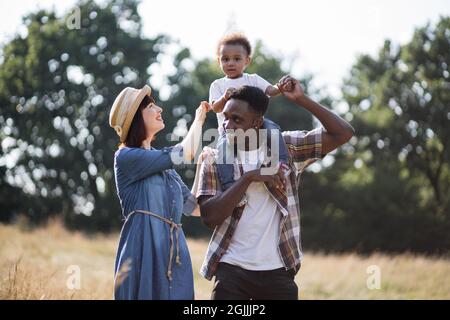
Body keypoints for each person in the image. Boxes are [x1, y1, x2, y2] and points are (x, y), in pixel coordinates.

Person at [195, 77, 355, 299]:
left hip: (278, 270)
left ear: (257, 123)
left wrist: (302, 99)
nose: (227, 126)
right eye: (226, 119)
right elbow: (209, 217)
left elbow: (343, 133)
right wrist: (249, 178)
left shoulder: (286, 148)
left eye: (236, 119)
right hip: (230, 270)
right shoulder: (214, 158)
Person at [109, 84, 210, 299]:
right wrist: (199, 118)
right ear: (136, 117)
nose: (159, 110)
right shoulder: (126, 156)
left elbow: (194, 207)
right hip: (143, 248)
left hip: (174, 252)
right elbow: (186, 152)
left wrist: (203, 168)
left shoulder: (164, 167)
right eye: (151, 106)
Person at [208, 32, 292, 190]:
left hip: (256, 124)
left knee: (273, 129)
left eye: (237, 59)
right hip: (228, 130)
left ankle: (282, 163)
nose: (230, 63)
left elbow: (270, 90)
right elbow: (215, 108)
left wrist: (280, 87)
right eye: (225, 59)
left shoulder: (252, 79)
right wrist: (224, 98)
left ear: (247, 60)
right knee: (223, 151)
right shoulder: (217, 85)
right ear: (219, 61)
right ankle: (228, 185)